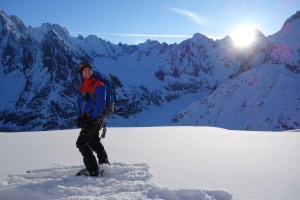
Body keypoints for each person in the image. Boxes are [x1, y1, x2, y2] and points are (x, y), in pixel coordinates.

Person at [76, 61, 110, 177]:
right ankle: (104, 163)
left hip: (95, 118)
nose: (87, 72)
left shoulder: (99, 85)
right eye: (85, 70)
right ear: (81, 73)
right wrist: (80, 116)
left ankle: (93, 170)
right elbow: (79, 102)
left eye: (89, 70)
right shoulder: (82, 85)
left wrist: (92, 118)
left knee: (81, 143)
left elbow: (101, 104)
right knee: (93, 142)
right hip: (87, 118)